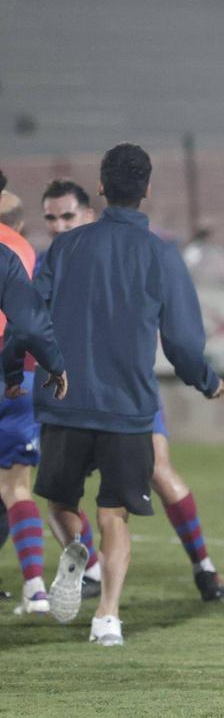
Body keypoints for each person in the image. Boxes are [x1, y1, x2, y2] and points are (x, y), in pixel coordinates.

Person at [26, 144, 223, 647]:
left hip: (65, 401)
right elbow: (182, 339)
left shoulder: (64, 250)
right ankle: (108, 617)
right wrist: (205, 379)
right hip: (127, 407)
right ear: (147, 189)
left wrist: (14, 369)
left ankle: (77, 551)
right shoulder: (160, 253)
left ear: (101, 188)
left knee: (59, 501)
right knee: (115, 512)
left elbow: (31, 319)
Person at [0, 174, 68, 617]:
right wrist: (53, 364)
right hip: (14, 378)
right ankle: (36, 588)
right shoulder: (18, 250)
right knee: (17, 486)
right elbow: (27, 321)